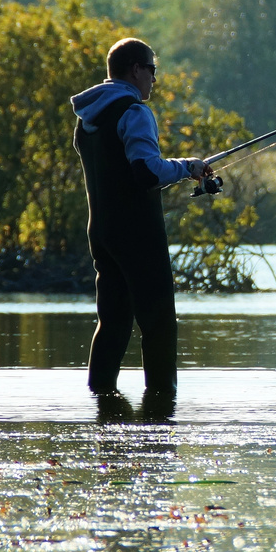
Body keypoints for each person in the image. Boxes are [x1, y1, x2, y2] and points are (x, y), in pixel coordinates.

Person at [70, 38, 212, 401]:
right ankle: (162, 406)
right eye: (152, 69)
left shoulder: (89, 119)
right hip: (138, 235)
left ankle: (100, 400)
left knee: (113, 323)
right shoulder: (134, 112)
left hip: (102, 233)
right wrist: (188, 167)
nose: (154, 78)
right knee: (159, 323)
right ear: (135, 69)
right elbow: (146, 172)